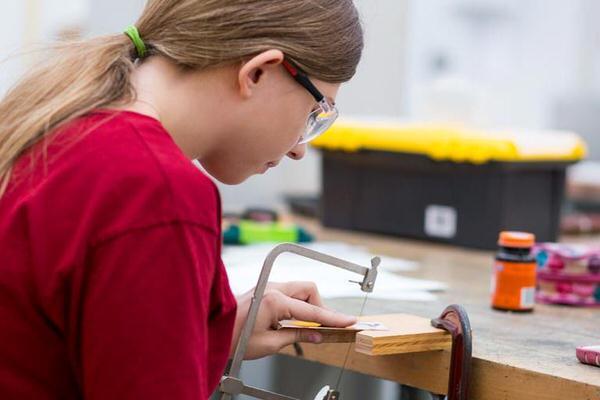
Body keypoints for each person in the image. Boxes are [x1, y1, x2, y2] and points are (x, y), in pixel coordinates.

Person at [0, 0, 363, 398]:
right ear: (258, 72)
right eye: (315, 112)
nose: (299, 149)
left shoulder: (58, 125)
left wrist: (208, 332)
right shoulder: (158, 192)